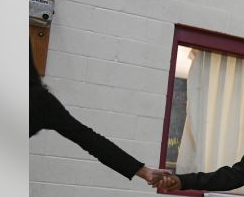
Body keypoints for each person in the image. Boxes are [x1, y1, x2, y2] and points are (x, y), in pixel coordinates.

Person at [30, 45, 169, 185]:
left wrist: (143, 171)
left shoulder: (42, 101)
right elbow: (89, 139)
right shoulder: (42, 100)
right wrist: (143, 171)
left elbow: (90, 140)